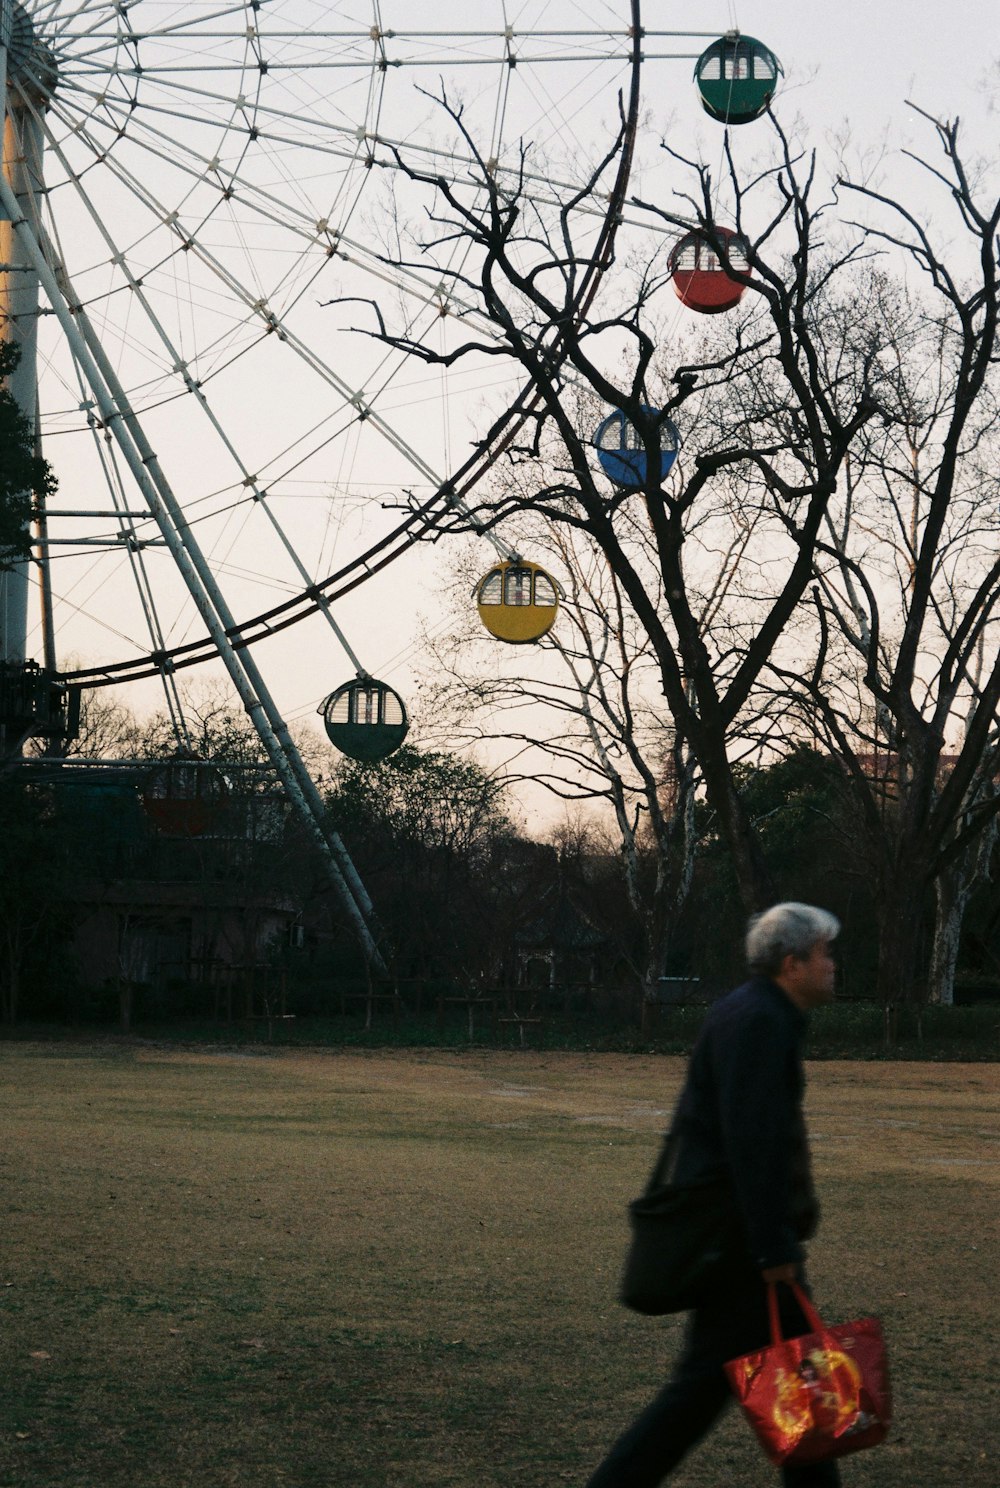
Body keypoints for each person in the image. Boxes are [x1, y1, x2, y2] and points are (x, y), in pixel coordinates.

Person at [587, 902, 843, 1488]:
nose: (834, 965)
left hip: (737, 1240)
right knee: (711, 1393)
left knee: (739, 1389)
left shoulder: (751, 1012)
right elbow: (751, 1143)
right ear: (791, 961)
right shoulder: (759, 1022)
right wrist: (774, 1248)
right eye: (825, 953)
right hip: (743, 1248)